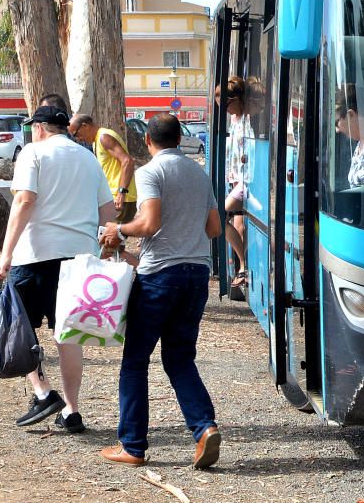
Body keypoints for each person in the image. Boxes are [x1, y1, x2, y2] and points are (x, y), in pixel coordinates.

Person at [98, 113, 223, 468]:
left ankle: (133, 446)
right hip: (196, 276)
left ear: (148, 142)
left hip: (160, 279)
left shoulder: (150, 172)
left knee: (135, 361)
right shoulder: (200, 174)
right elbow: (214, 228)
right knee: (180, 358)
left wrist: (119, 230)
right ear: (180, 139)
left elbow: (150, 223)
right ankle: (204, 429)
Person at [0, 105, 115, 434]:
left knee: (20, 331)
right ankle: (72, 412)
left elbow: (23, 201)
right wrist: (107, 247)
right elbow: (107, 210)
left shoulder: (33, 153)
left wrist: (6, 253)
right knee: (68, 335)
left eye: (34, 126)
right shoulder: (88, 158)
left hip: (35, 256)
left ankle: (44, 392)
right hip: (79, 259)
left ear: (42, 127)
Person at [68, 114, 138, 223]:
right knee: (107, 237)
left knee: (106, 237)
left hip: (120, 199)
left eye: (76, 134)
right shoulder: (97, 140)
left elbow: (127, 161)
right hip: (113, 198)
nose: (79, 139)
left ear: (85, 126)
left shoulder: (104, 137)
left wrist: (121, 193)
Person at [215, 77, 250, 289]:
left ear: (237, 99)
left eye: (227, 105)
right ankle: (243, 267)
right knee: (239, 225)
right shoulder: (235, 119)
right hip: (236, 180)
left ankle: (243, 266)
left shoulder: (248, 119)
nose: (225, 110)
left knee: (220, 215)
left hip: (246, 182)